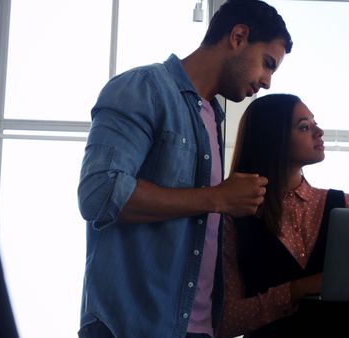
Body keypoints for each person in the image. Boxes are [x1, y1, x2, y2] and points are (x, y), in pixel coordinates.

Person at [76, 1, 293, 337]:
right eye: (267, 64)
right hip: (132, 328)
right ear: (238, 36)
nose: (266, 82)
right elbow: (99, 193)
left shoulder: (212, 119)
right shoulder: (143, 89)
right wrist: (216, 199)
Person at [218, 94, 349, 338]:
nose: (319, 131)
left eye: (315, 123)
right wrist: (299, 289)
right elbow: (225, 321)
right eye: (304, 127)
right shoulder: (234, 217)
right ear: (272, 139)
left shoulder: (343, 205)